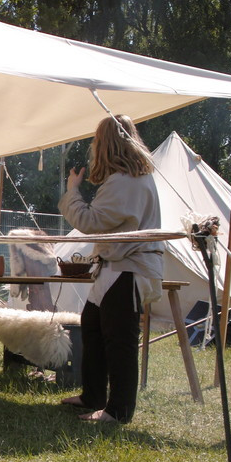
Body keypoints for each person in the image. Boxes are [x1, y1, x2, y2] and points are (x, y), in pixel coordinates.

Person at [57, 114, 164, 423]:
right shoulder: (129, 178)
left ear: (105, 143)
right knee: (92, 326)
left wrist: (72, 191)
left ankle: (118, 411)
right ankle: (93, 395)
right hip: (115, 266)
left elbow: (92, 223)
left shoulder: (125, 181)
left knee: (119, 340)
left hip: (128, 267)